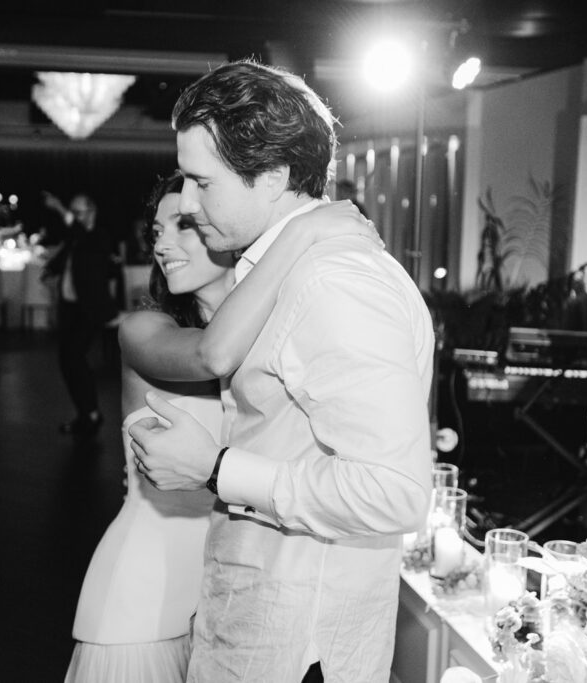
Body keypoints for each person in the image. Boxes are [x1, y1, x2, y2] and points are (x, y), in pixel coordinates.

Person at [129, 61, 435, 683]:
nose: (186, 204)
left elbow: (394, 492)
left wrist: (216, 469)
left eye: (200, 183)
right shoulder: (283, 273)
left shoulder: (335, 283)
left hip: (299, 650)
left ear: (270, 176)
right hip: (258, 622)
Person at [65, 173, 372, 683]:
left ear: (226, 229)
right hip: (145, 597)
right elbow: (214, 355)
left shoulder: (282, 340)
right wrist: (300, 234)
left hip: (238, 605)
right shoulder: (144, 331)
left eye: (183, 225)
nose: (162, 242)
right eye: (156, 229)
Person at [42, 192, 121, 436]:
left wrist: (58, 207)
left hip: (89, 309)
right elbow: (65, 256)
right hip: (70, 308)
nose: (75, 217)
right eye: (72, 212)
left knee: (75, 358)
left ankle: (92, 413)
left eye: (78, 212)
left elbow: (96, 260)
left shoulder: (98, 237)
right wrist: (49, 270)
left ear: (92, 212)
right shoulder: (76, 237)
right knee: (67, 361)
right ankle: (85, 413)